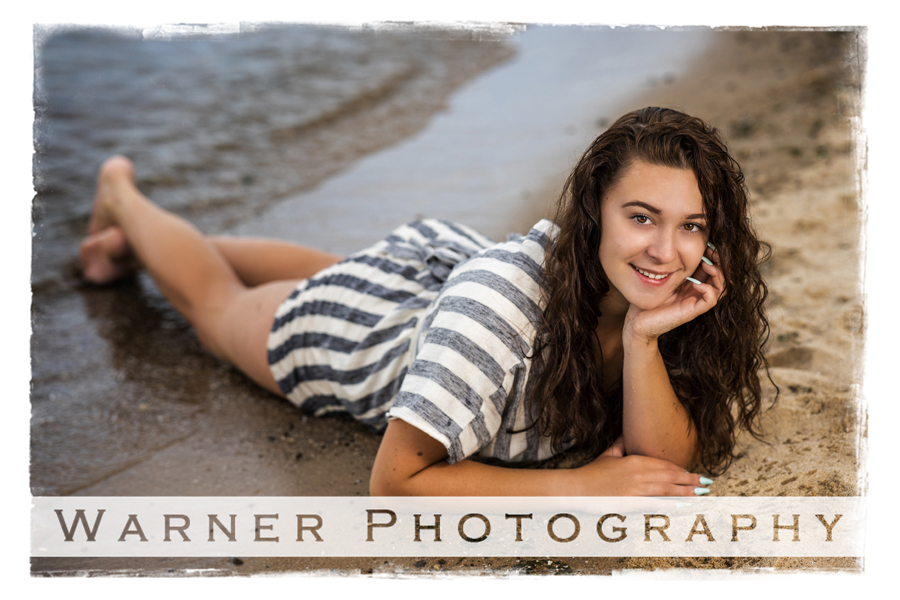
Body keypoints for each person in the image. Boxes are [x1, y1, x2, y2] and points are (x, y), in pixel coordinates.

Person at [79, 107, 772, 497]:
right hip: (372, 338)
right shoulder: (502, 311)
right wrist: (578, 487)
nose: (665, 252)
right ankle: (123, 199)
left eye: (693, 226)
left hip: (437, 298)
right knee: (221, 305)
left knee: (341, 270)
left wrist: (644, 340)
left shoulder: (664, 291)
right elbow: (396, 480)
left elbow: (662, 463)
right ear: (594, 209)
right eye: (642, 218)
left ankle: (149, 230)